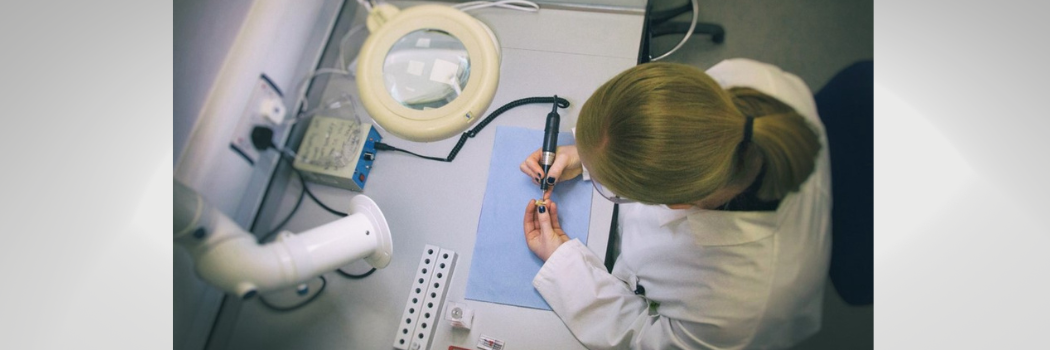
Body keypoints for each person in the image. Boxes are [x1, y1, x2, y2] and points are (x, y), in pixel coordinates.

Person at [520, 59, 832, 349]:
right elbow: (669, 126)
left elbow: (644, 336)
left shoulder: (738, 304)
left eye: (611, 186)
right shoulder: (750, 79)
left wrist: (564, 263)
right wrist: (590, 154)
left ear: (678, 203)